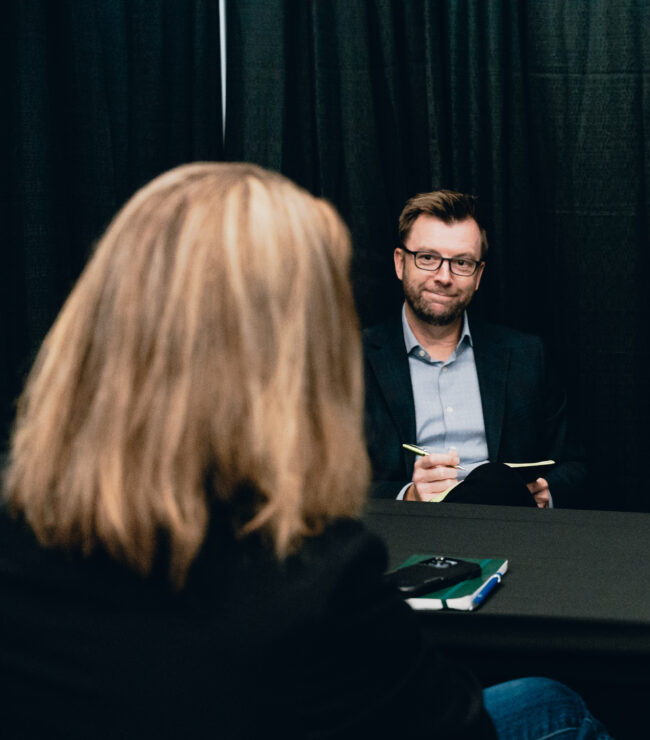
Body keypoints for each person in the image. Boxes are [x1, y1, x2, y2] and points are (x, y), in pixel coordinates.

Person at [0, 163, 611, 739]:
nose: (442, 274)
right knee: (550, 703)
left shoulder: (23, 542)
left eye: (460, 262)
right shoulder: (311, 573)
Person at [363, 189, 586, 507]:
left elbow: (574, 465)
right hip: (401, 538)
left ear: (478, 275)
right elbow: (315, 484)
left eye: (462, 263)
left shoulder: (526, 356)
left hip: (508, 534)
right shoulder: (348, 361)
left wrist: (547, 491)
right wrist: (406, 496)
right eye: (427, 258)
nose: (444, 276)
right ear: (400, 263)